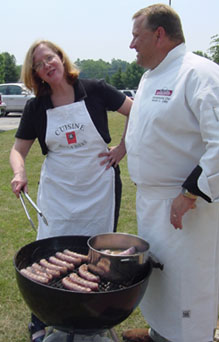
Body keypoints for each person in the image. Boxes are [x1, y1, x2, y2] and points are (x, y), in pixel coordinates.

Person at [10, 39, 132, 342]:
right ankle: (41, 319)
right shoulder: (36, 106)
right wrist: (19, 172)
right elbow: (17, 150)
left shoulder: (95, 88)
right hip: (59, 191)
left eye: (49, 58)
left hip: (98, 186)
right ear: (35, 73)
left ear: (61, 58)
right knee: (50, 251)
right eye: (38, 64)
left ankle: (93, 318)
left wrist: (123, 147)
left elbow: (136, 111)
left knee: (96, 251)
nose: (46, 66)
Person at [123, 4, 219, 342]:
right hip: (152, 204)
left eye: (137, 36)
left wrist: (190, 193)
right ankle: (159, 331)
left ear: (159, 35)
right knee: (161, 277)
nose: (131, 44)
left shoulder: (200, 74)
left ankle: (191, 336)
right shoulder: (150, 77)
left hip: (188, 209)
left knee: (188, 283)